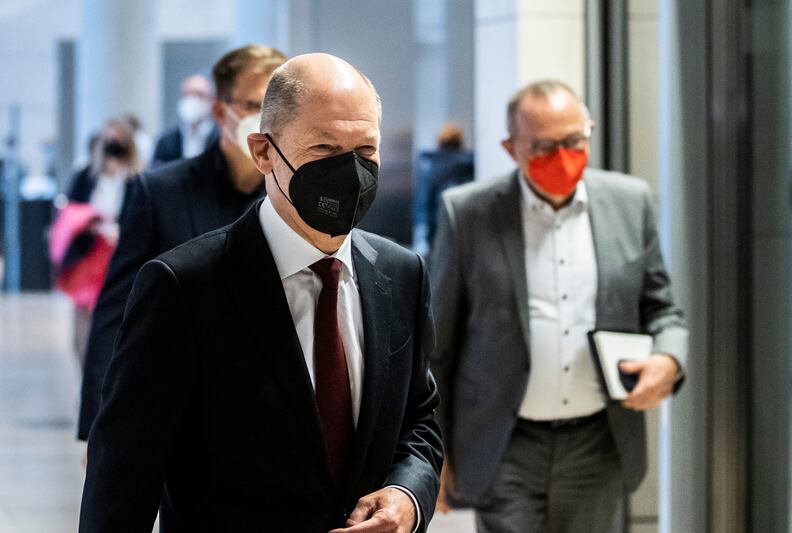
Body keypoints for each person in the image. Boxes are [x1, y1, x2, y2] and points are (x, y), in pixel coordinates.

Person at [79, 52, 443, 533]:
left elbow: (418, 419)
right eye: (324, 149)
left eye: (365, 151)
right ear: (264, 152)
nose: (351, 172)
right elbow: (122, 484)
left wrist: (406, 496)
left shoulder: (401, 274)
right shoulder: (184, 287)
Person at [429, 80, 688, 533]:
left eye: (574, 141)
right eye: (544, 147)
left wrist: (669, 358)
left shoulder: (631, 202)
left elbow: (663, 308)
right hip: (503, 440)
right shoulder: (467, 214)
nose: (564, 157)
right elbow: (438, 346)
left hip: (598, 440)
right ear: (512, 149)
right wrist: (436, 450)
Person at [76, 44, 286, 441]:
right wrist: (99, 424)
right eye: (256, 105)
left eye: (278, 107)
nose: (268, 121)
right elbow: (116, 312)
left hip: (274, 417)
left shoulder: (295, 196)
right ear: (221, 111)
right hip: (181, 417)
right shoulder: (160, 192)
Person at [53, 119, 141, 366]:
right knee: (82, 330)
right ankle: (88, 382)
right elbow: (70, 210)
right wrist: (91, 224)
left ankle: (109, 383)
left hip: (121, 255)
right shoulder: (87, 175)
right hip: (89, 254)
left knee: (116, 322)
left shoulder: (137, 178)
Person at [411, 122, 473, 256]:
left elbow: (423, 200)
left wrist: (422, 228)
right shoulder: (469, 164)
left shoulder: (431, 164)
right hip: (465, 226)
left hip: (436, 226)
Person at [151, 74, 217, 165]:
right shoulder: (166, 142)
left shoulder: (222, 140)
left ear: (211, 101)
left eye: (199, 95)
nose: (192, 100)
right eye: (187, 94)